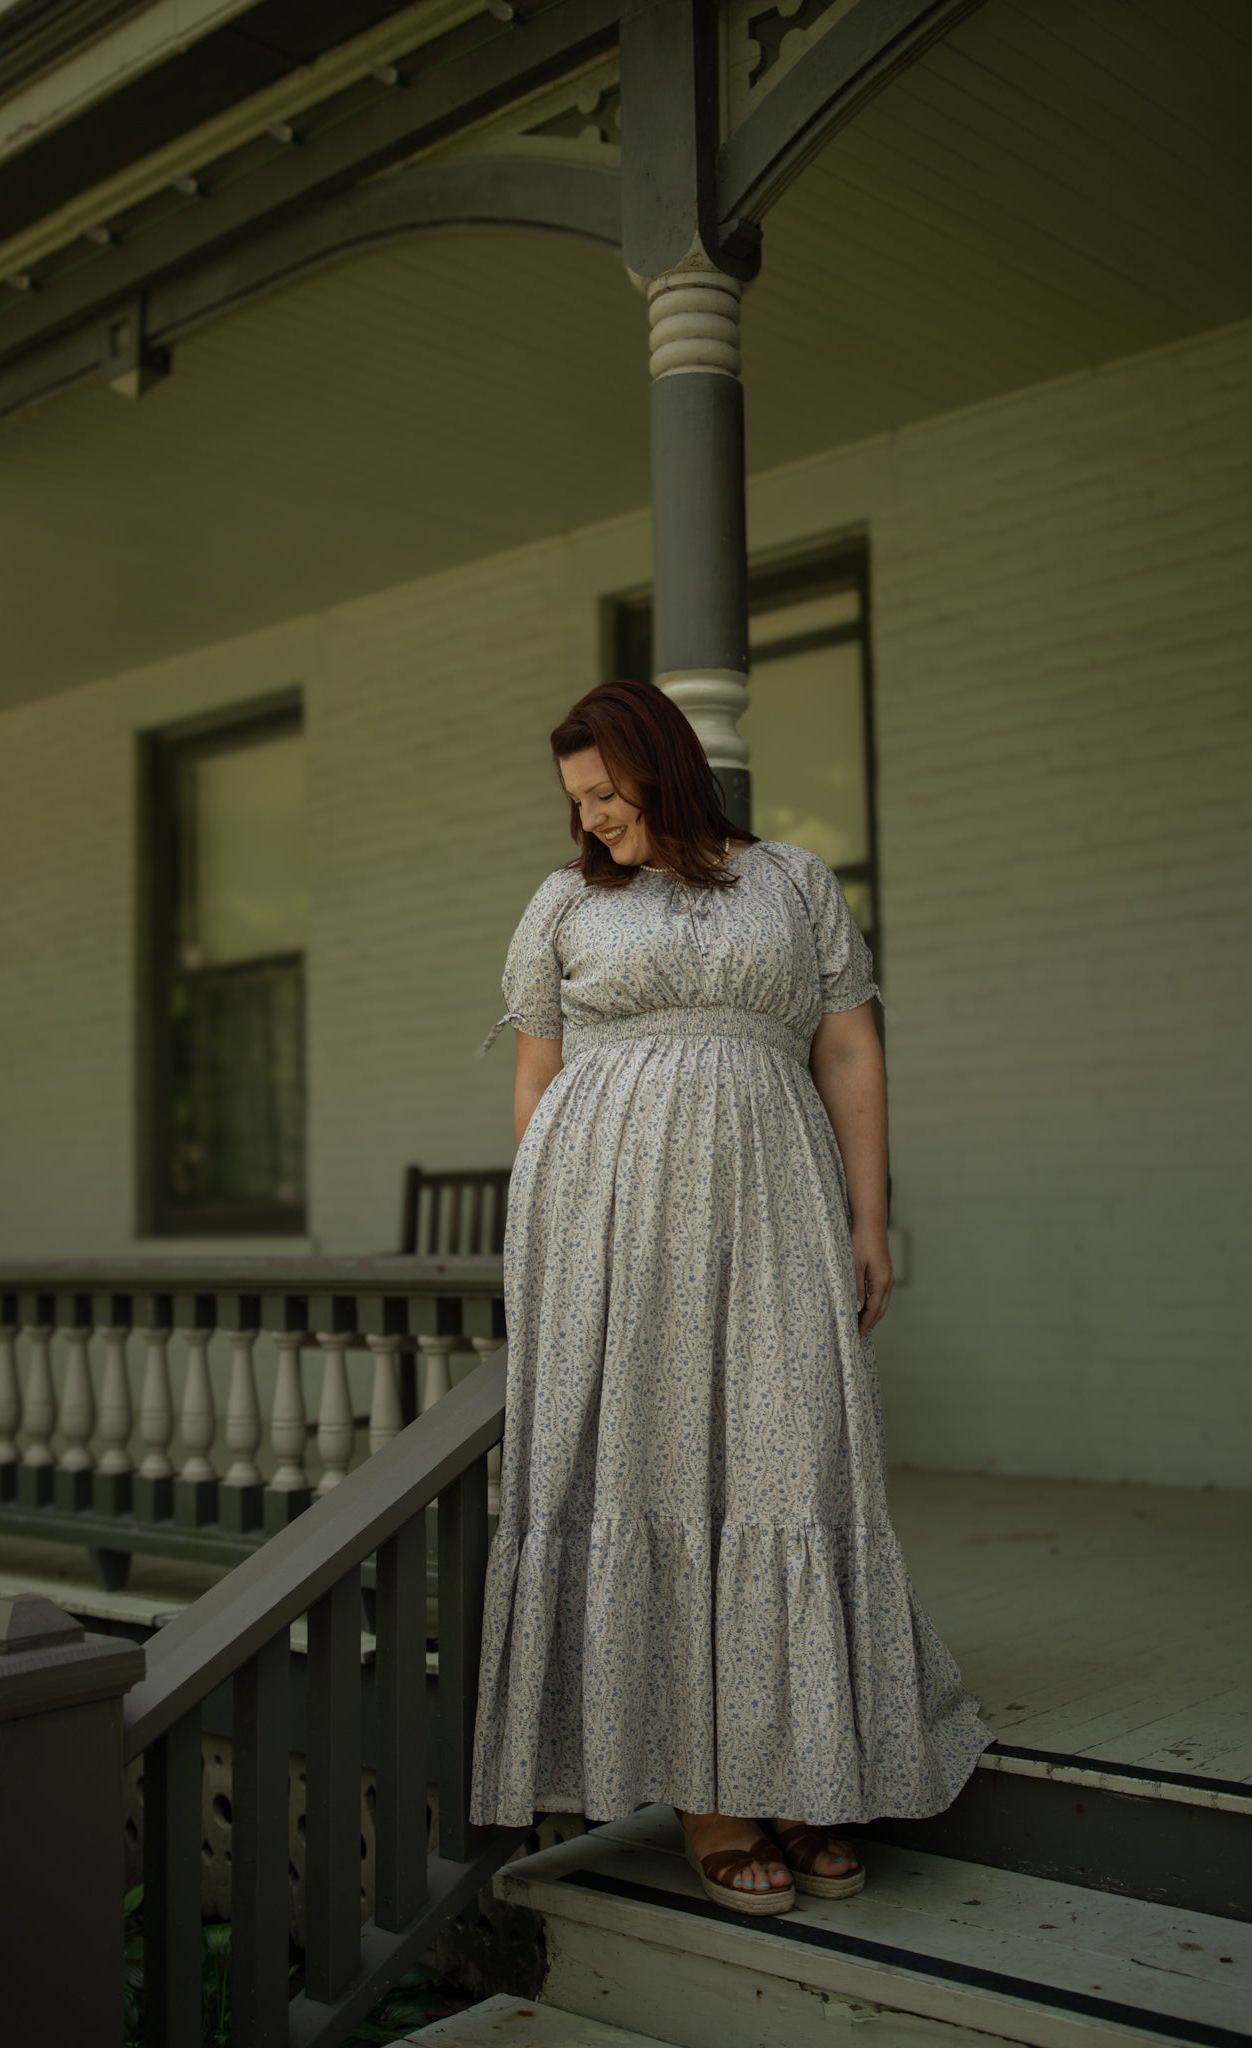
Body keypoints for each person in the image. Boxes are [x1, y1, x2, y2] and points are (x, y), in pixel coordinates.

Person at [470, 677, 995, 1914]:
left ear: (661, 762)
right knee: (652, 1472)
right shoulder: (563, 903)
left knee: (788, 1466)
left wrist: (869, 1219)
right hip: (610, 1229)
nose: (590, 817)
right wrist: (552, 1250)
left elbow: (851, 1048)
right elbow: (537, 1083)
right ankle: (709, 1790)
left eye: (605, 789)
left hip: (771, 1210)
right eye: (576, 800)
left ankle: (806, 1762)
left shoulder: (794, 882)